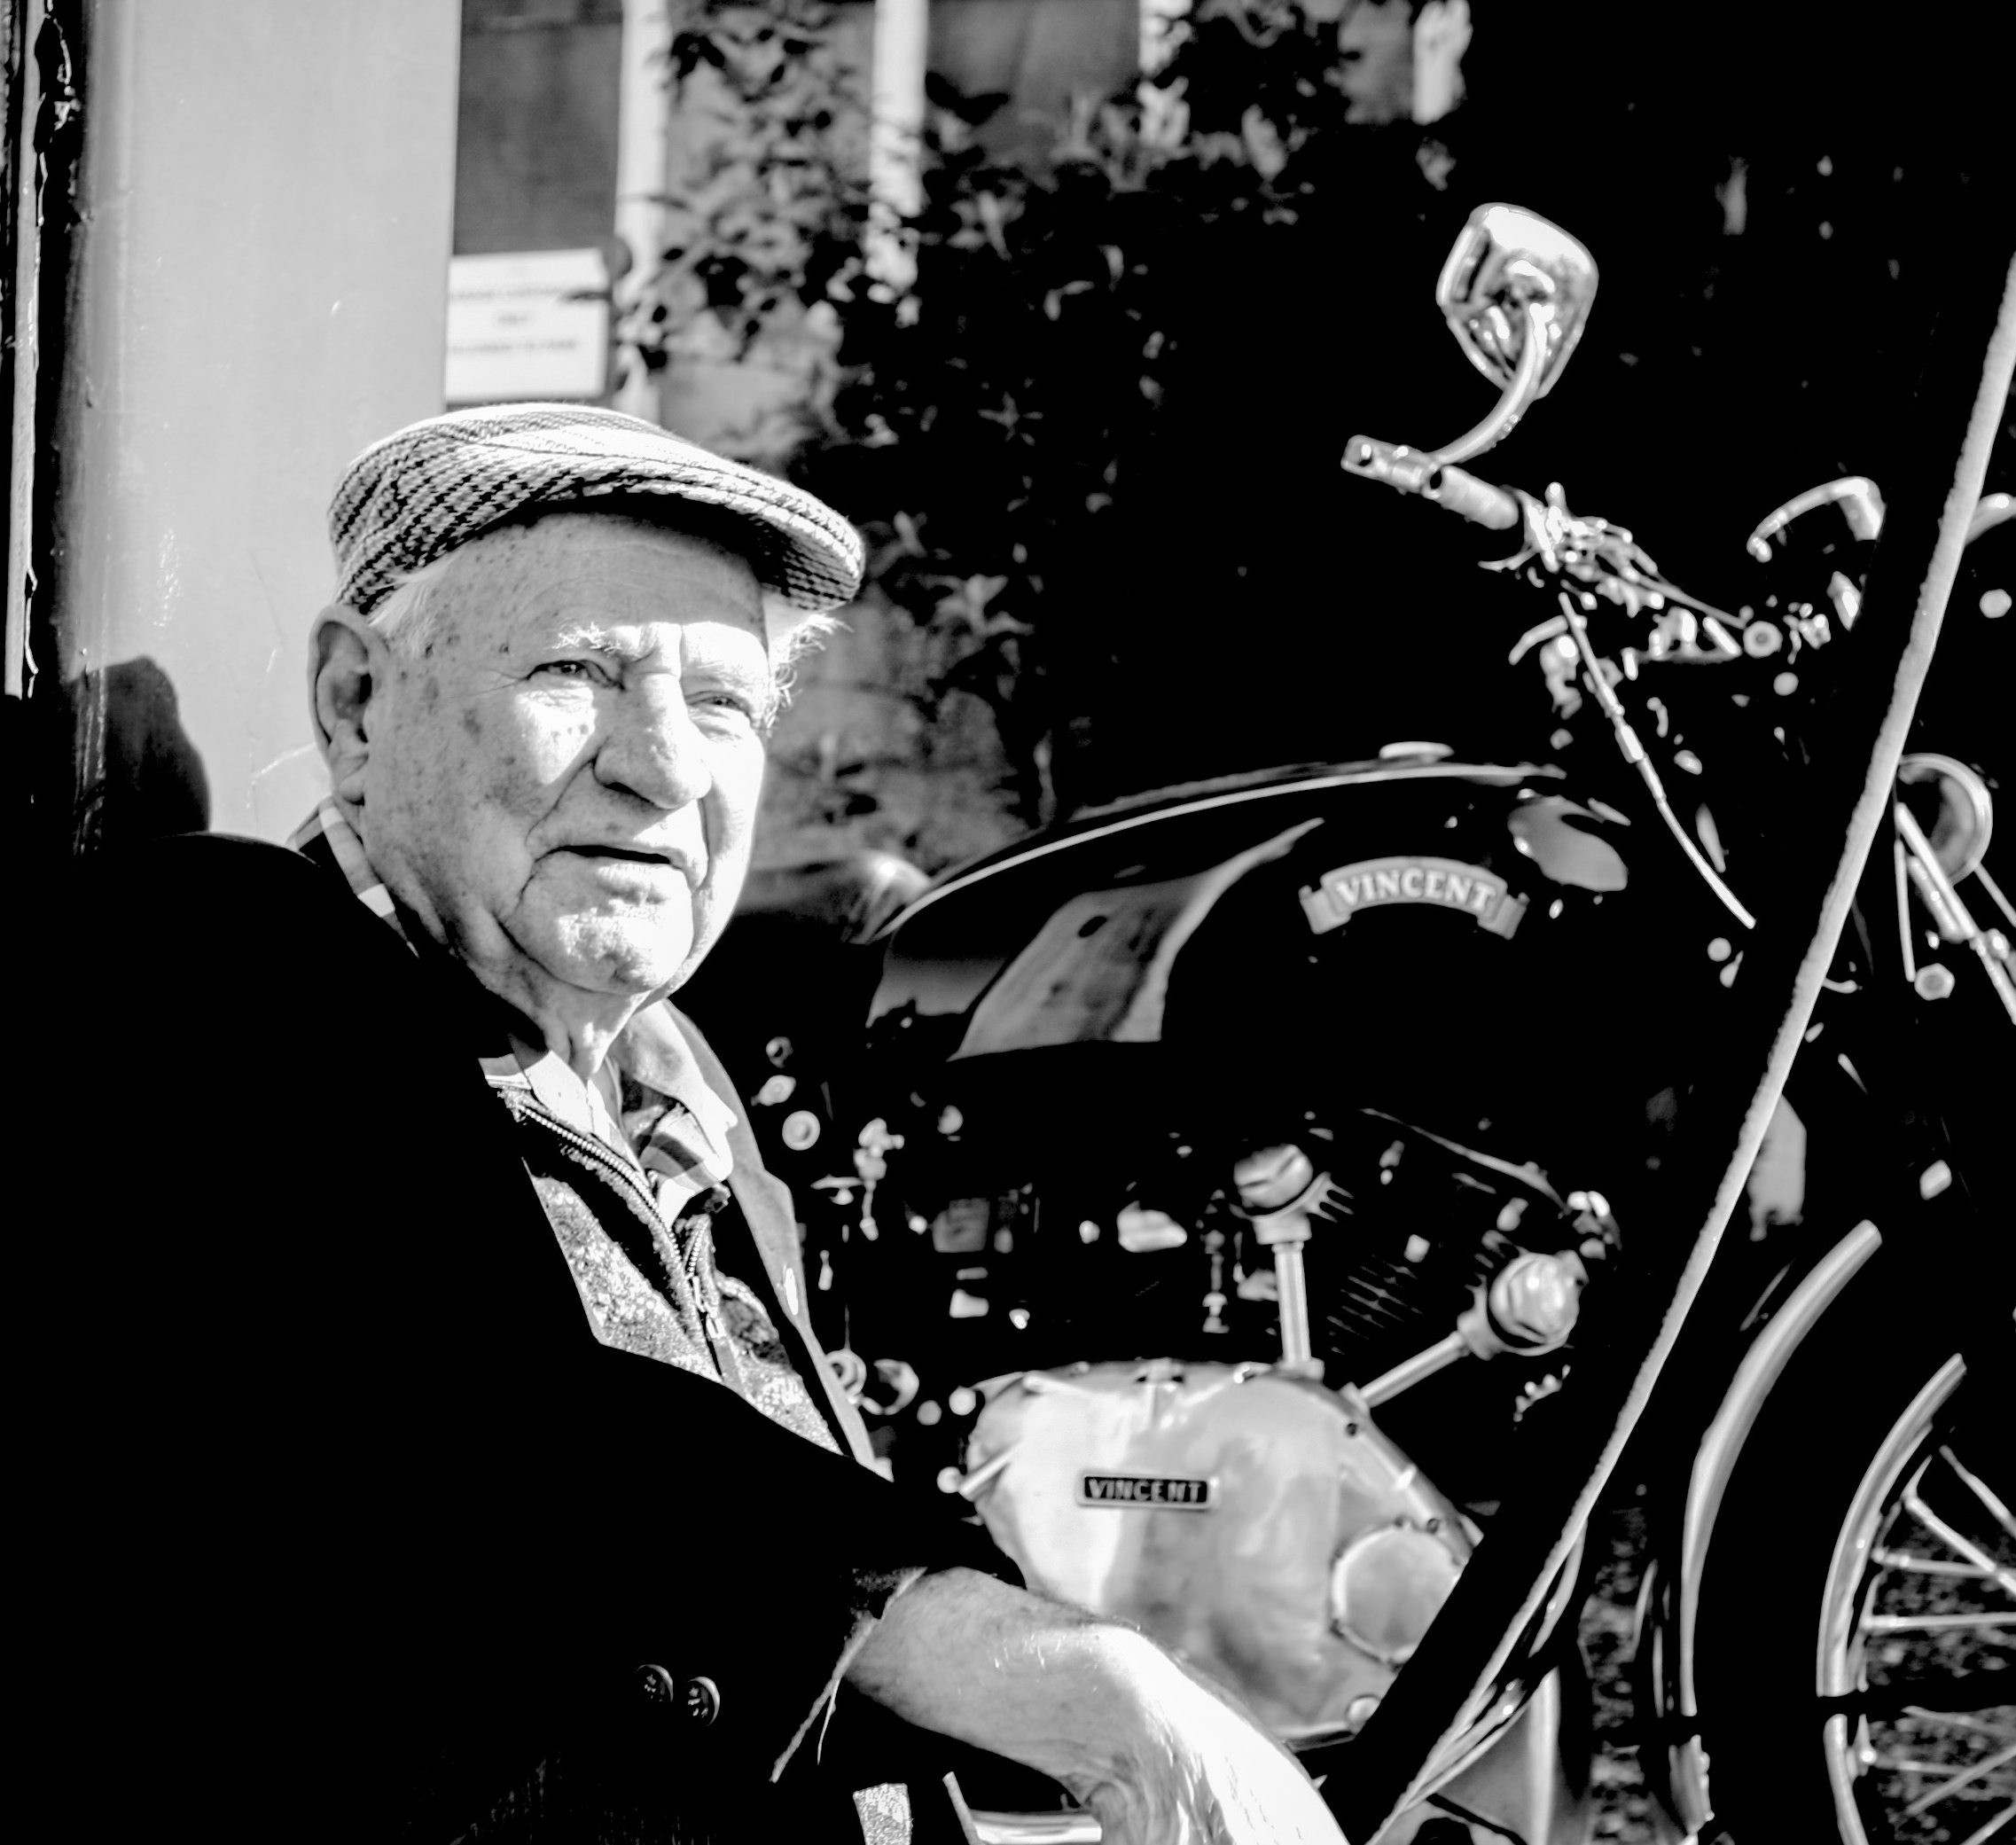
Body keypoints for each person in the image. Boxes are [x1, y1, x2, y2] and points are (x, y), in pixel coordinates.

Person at [27, 404, 1348, 1845]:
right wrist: (1080, 1688)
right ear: (355, 704)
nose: (663, 765)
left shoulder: (679, 1081)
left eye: (721, 703)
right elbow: (500, 1423)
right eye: (576, 672)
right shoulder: (223, 961)